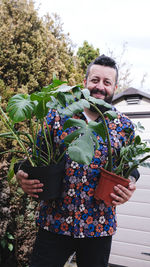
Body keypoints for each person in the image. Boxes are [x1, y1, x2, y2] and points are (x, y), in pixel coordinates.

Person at [16, 55, 138, 267]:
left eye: (107, 82)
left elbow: (130, 167)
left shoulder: (123, 126)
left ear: (115, 87)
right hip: (55, 222)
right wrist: (21, 173)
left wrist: (130, 183)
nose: (100, 87)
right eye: (95, 80)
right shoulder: (58, 115)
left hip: (98, 226)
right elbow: (34, 155)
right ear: (85, 83)